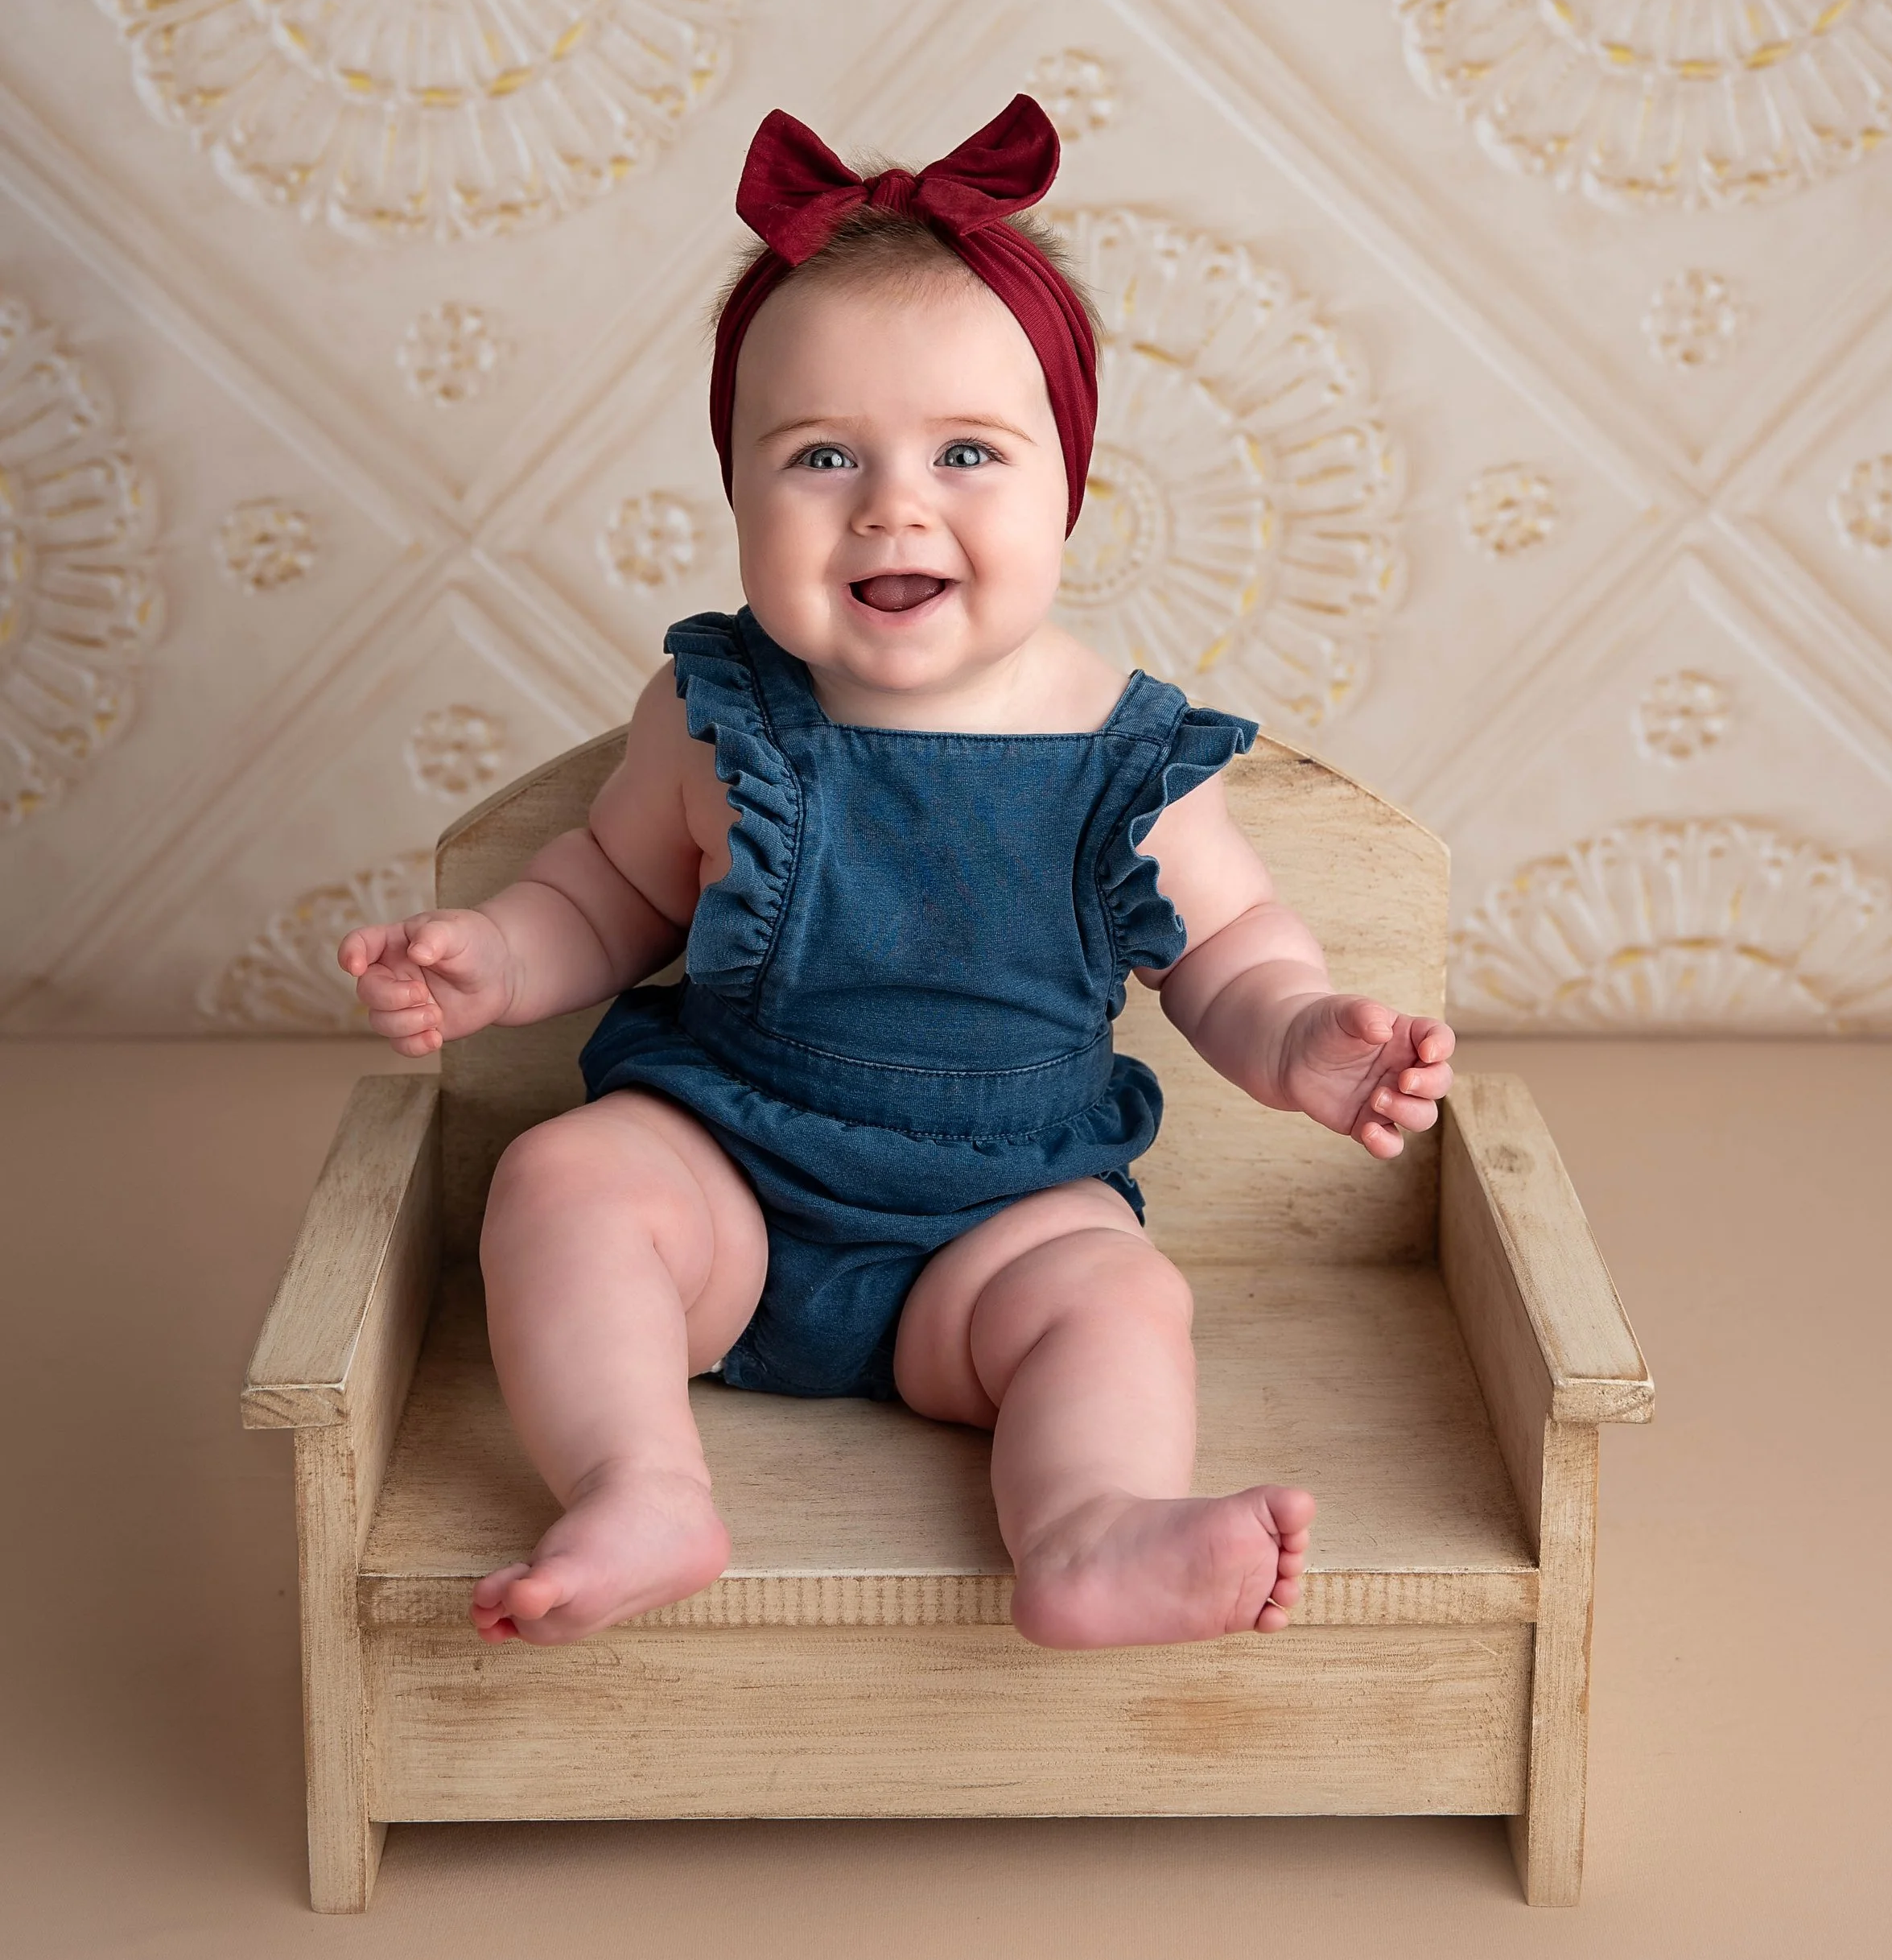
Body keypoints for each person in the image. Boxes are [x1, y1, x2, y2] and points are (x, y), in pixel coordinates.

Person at [339, 95, 1454, 1653]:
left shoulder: (1121, 748)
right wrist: (494, 956)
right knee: (560, 1177)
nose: (890, 501)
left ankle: (1086, 1531)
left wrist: (1298, 1031)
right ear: (734, 490)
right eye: (818, 454)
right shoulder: (714, 711)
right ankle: (638, 1481)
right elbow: (605, 890)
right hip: (726, 1187)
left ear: (1065, 481)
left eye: (965, 451)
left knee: (1118, 1296)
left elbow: (1229, 947)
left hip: (996, 1225)